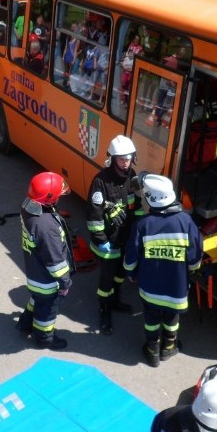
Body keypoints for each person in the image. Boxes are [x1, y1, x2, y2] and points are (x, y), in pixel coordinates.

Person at [124, 174, 203, 366]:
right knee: (171, 317)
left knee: (151, 318)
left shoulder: (143, 224)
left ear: (150, 198)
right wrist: (192, 271)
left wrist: (131, 274)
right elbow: (195, 254)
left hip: (150, 288)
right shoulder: (186, 222)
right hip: (176, 288)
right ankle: (168, 348)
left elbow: (131, 257)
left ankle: (152, 351)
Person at [87, 135, 141, 335]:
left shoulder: (131, 176)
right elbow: (94, 215)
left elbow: (135, 205)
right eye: (121, 159)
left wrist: (139, 227)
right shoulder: (101, 181)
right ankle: (104, 310)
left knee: (120, 274)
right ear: (112, 159)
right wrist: (101, 241)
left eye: (128, 158)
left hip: (125, 238)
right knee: (106, 279)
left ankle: (115, 300)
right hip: (108, 241)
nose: (125, 162)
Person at [16, 172, 74, 351]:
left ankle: (25, 324)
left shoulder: (29, 210)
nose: (59, 198)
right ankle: (44, 338)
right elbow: (55, 262)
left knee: (37, 300)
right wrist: (65, 283)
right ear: (49, 198)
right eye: (58, 195)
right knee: (47, 311)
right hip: (47, 282)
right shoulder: (46, 226)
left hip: (35, 274)